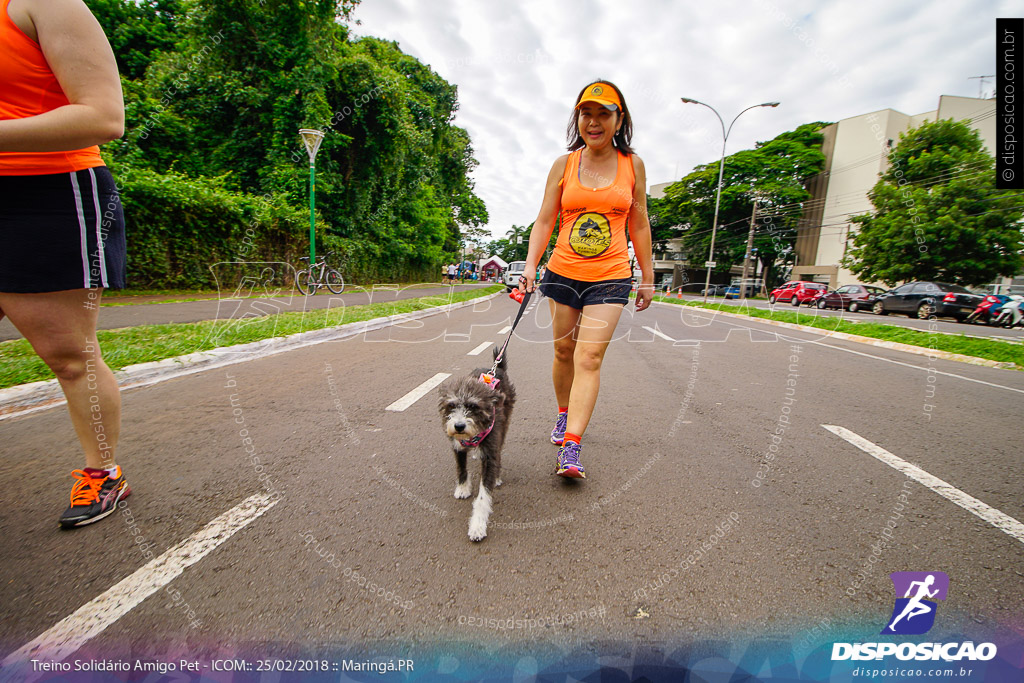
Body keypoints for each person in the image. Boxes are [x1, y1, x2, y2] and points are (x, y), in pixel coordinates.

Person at [0, 0, 130, 526]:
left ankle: (103, 474)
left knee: (69, 354)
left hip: (48, 193)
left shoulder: (42, 3)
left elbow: (103, 116)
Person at [518, 80, 654, 479]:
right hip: (562, 272)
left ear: (619, 119)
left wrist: (647, 275)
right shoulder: (564, 164)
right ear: (577, 118)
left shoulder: (633, 165)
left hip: (610, 276)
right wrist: (530, 265)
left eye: (603, 114)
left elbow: (640, 221)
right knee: (564, 353)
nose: (593, 122)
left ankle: (572, 446)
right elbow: (545, 219)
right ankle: (563, 415)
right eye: (586, 113)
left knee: (588, 357)